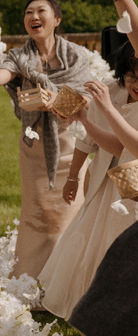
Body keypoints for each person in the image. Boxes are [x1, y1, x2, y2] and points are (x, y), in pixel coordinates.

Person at [0, 0, 91, 279]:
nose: (33, 16)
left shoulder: (76, 56)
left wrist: (55, 102)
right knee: (36, 216)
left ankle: (67, 281)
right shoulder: (19, 57)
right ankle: (31, 281)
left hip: (70, 144)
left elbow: (85, 100)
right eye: (28, 12)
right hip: (34, 148)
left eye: (41, 11)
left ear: (56, 19)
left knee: (70, 213)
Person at [40, 41, 138, 319]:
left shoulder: (109, 102)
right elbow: (87, 140)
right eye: (131, 74)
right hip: (107, 179)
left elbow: (123, 146)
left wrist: (97, 114)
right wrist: (73, 177)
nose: (135, 83)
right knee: (91, 243)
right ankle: (89, 313)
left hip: (132, 182)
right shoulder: (112, 89)